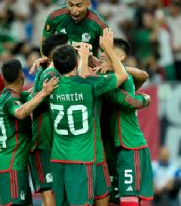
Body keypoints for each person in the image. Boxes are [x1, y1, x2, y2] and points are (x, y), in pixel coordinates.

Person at [49, 28, 127, 205]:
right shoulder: (89, 84)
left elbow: (61, 68)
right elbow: (122, 75)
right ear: (76, 62)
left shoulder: (50, 84)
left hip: (58, 158)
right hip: (81, 159)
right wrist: (108, 49)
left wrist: (77, 56)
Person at [97, 38, 154, 205]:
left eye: (106, 51)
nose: (101, 54)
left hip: (130, 145)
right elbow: (143, 76)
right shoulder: (108, 75)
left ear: (119, 57)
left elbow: (131, 100)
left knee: (128, 200)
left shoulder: (124, 78)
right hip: (111, 148)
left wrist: (143, 99)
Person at [0, 59, 58, 206]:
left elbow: (30, 97)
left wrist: (44, 69)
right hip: (12, 166)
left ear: (3, 78)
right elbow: (21, 113)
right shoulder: (11, 100)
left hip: (15, 165)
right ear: (22, 75)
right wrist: (44, 92)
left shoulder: (8, 97)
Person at [29, 33, 69, 206]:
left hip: (57, 143)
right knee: (49, 193)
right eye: (67, 47)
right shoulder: (49, 75)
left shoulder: (50, 72)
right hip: (43, 142)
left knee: (58, 193)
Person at [42, 0, 108, 56]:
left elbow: (107, 53)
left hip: (87, 65)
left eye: (78, 6)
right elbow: (45, 41)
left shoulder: (100, 25)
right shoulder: (55, 17)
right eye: (70, 5)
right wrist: (44, 59)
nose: (74, 11)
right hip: (62, 64)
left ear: (88, 4)